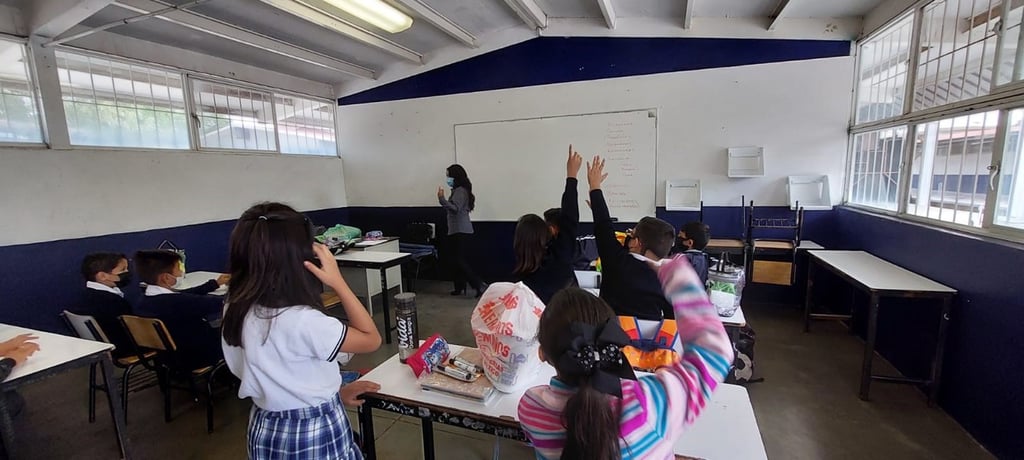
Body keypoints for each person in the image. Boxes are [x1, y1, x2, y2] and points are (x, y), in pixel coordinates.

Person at [517, 256, 733, 459]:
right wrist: (678, 277)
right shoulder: (650, 403)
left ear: (542, 354)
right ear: (615, 341)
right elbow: (715, 352)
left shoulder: (531, 407)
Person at [220, 202, 382, 460]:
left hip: (265, 425)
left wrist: (335, 395)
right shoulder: (303, 321)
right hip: (313, 432)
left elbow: (283, 378)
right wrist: (338, 282)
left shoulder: (234, 306)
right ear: (303, 260)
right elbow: (371, 338)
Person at [587, 157, 677, 320]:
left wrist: (595, 187)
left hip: (609, 339)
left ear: (636, 243)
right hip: (648, 342)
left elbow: (603, 227)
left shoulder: (617, 262)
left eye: (632, 234)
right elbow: (672, 320)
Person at [134, 250, 228, 370]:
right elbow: (220, 304)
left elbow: (184, 295)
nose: (182, 272)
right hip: (198, 355)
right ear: (166, 278)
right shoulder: (179, 302)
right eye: (179, 268)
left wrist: (215, 284)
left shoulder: (143, 301)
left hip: (167, 357)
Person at [513, 146, 582, 304]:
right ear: (548, 232)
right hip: (564, 321)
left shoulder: (521, 278)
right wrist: (571, 176)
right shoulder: (561, 258)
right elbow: (570, 218)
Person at [438, 164, 485, 297]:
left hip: (460, 230)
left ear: (455, 176)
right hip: (457, 230)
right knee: (456, 260)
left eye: (449, 176)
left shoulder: (460, 191)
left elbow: (455, 208)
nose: (447, 179)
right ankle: (459, 287)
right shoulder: (459, 190)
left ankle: (477, 285)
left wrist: (441, 199)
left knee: (459, 260)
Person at [74, 252, 134, 356]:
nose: (127, 272)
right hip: (122, 349)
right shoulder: (114, 302)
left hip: (98, 347)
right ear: (102, 276)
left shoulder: (83, 296)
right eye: (122, 270)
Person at [671, 222, 711, 286]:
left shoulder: (683, 259)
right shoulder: (703, 257)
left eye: (680, 236)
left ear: (690, 243)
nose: (677, 238)